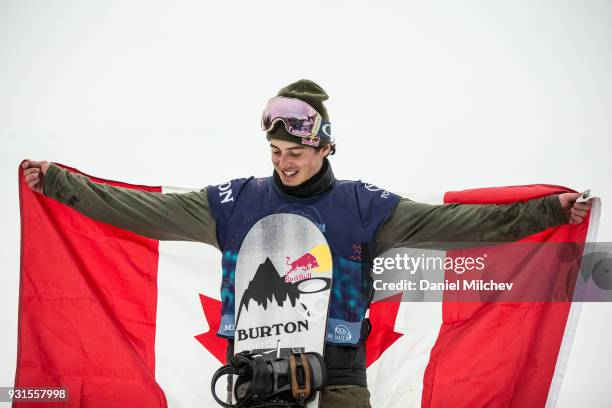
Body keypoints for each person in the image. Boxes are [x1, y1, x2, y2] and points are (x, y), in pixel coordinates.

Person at [22, 79, 590, 407]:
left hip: (339, 375)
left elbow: (462, 226)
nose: (284, 164)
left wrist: (547, 210)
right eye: (275, 153)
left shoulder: (365, 207)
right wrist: (59, 183)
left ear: (324, 149)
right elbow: (141, 211)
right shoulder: (233, 201)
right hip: (254, 375)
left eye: (295, 153)